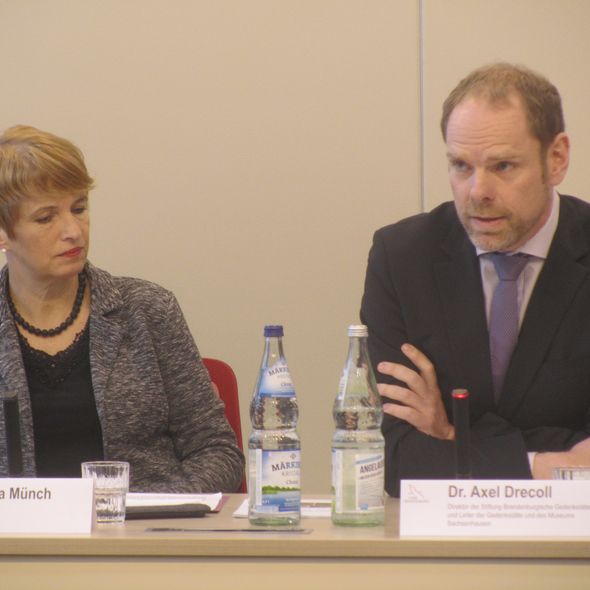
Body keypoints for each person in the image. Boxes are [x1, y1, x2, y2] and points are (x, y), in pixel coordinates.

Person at [361, 63, 590, 497]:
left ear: (556, 158)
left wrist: (452, 438)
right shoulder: (403, 257)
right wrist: (546, 464)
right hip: (442, 543)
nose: (477, 191)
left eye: (503, 166)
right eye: (461, 166)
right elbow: (392, 459)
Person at [0, 125, 244, 492]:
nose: (73, 231)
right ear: (3, 232)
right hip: (20, 545)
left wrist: (151, 513)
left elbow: (218, 452)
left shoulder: (146, 309)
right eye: (46, 217)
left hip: (144, 542)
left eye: (79, 208)